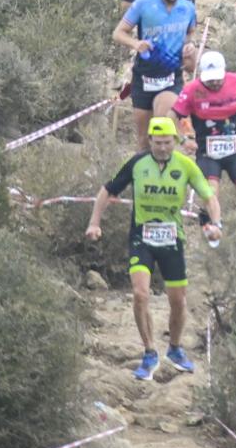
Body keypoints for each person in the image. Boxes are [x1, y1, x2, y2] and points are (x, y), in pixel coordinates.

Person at [86, 116, 222, 382]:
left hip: (172, 240)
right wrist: (94, 223)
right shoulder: (138, 163)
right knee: (140, 294)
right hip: (142, 237)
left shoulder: (185, 165)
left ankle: (175, 348)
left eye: (168, 143)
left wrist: (216, 223)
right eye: (158, 143)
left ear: (176, 141)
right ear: (149, 141)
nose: (162, 148)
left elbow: (209, 196)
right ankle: (149, 352)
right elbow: (106, 190)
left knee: (177, 300)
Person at [115, 0, 201, 147]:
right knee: (144, 141)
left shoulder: (188, 8)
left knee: (166, 132)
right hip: (144, 77)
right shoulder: (143, 4)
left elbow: (190, 35)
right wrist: (136, 44)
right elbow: (118, 33)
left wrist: (189, 46)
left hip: (172, 78)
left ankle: (179, 160)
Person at [173, 51, 236, 221]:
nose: (214, 83)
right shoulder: (191, 90)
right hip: (208, 154)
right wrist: (182, 139)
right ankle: (212, 233)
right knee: (210, 196)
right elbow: (173, 116)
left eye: (218, 78)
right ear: (201, 75)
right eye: (210, 79)